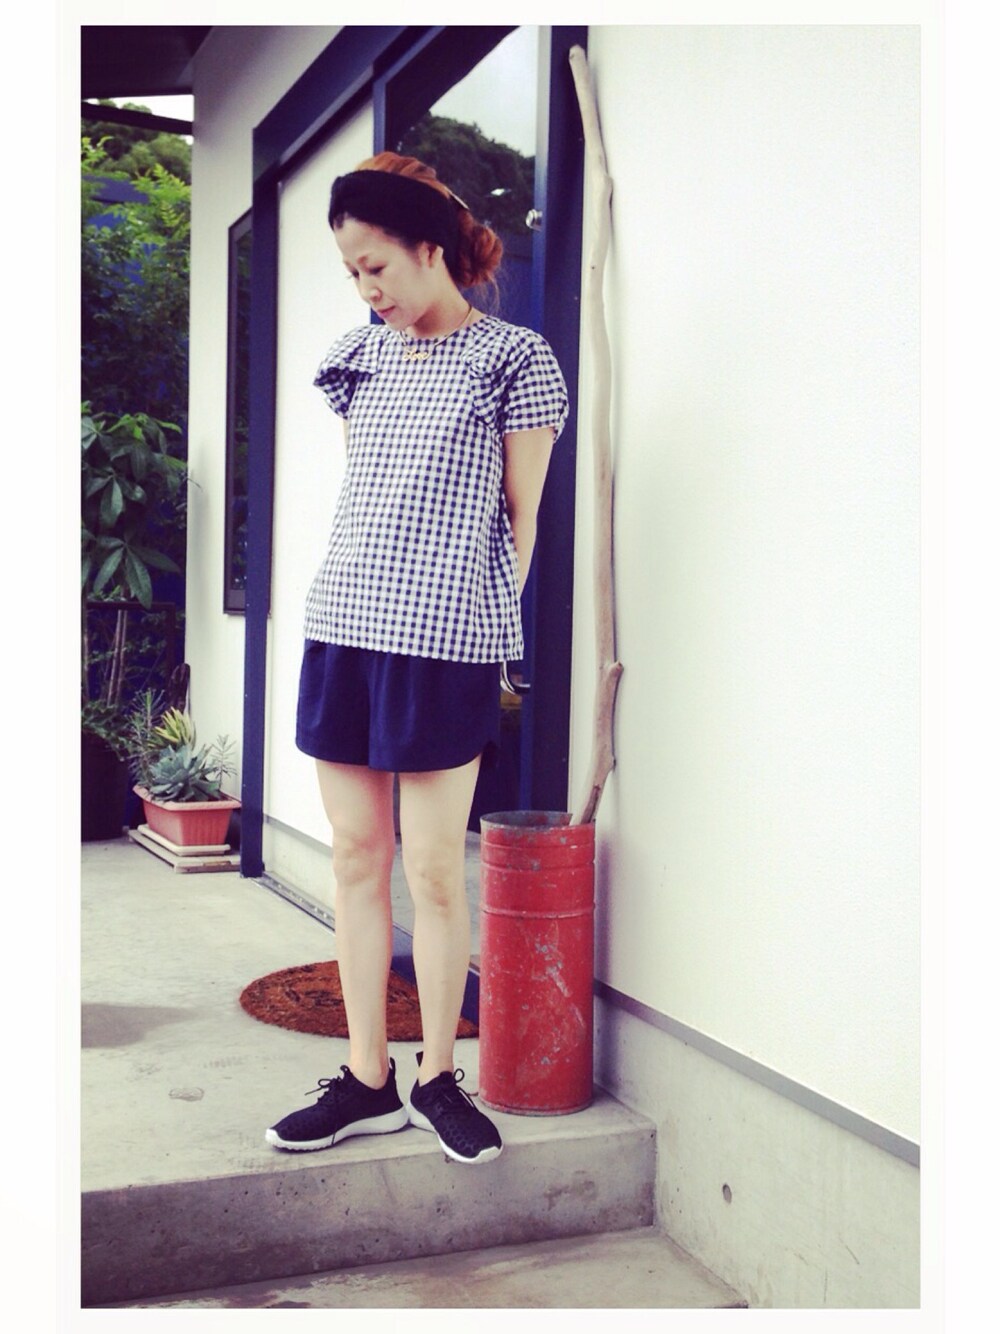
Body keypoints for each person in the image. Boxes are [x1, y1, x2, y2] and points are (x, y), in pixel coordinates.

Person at [265, 152, 569, 1165]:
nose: (366, 289)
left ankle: (439, 1075)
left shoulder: (514, 359)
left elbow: (522, 521)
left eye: (377, 266)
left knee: (436, 869)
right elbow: (372, 498)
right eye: (351, 272)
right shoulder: (360, 356)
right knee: (357, 856)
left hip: (444, 642)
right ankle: (367, 1078)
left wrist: (485, 631)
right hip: (346, 625)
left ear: (429, 248)